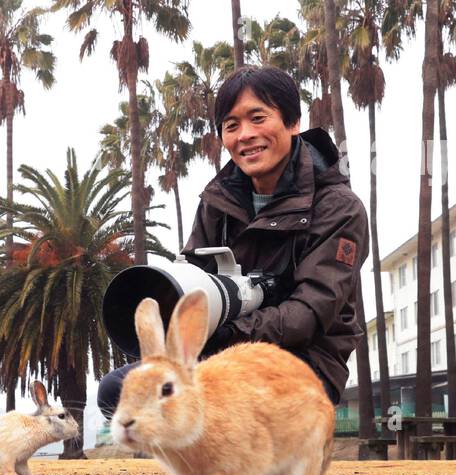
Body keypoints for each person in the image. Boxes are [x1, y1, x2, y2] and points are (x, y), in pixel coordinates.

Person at [97, 65, 368, 417]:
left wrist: (225, 332)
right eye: (232, 125)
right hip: (218, 355)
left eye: (258, 118)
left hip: (304, 364)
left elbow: (307, 316)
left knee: (232, 409)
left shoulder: (338, 208)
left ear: (292, 122)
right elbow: (190, 282)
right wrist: (173, 327)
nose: (245, 135)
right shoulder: (217, 202)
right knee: (119, 392)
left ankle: (252, 453)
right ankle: (219, 453)